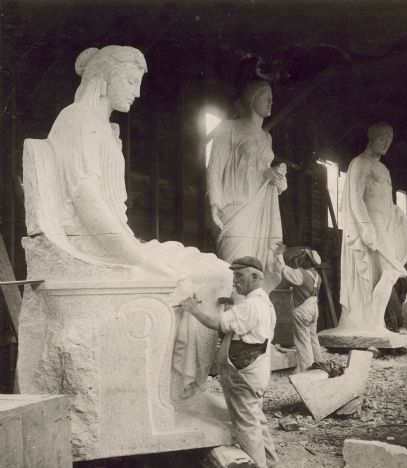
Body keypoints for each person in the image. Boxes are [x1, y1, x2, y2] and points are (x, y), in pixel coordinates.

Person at [47, 45, 231, 400]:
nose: (138, 90)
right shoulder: (76, 120)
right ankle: (178, 391)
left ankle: (183, 387)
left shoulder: (101, 127)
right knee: (204, 274)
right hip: (95, 249)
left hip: (115, 243)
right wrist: (140, 257)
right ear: (104, 78)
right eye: (131, 80)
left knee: (217, 270)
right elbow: (88, 205)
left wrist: (138, 251)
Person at [181, 256, 277, 468]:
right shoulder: (264, 302)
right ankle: (271, 462)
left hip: (245, 374)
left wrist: (193, 309)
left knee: (246, 425)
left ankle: (260, 465)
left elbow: (218, 323)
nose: (235, 281)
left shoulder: (251, 305)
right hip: (256, 370)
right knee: (256, 420)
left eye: (240, 275)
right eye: (234, 276)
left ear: (255, 276)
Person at [207, 80, 286, 293]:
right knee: (234, 267)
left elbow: (263, 173)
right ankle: (230, 318)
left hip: (261, 211)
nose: (271, 101)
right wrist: (214, 203)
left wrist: (278, 182)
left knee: (256, 269)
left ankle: (250, 317)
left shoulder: (266, 137)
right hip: (235, 207)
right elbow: (214, 168)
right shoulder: (229, 128)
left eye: (272, 96)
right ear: (252, 99)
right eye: (265, 95)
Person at [336, 122, 407, 332]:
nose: (387, 142)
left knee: (387, 273)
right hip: (372, 223)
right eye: (383, 138)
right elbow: (355, 197)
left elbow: (384, 199)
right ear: (372, 138)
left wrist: (396, 211)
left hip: (385, 225)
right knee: (390, 271)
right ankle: (374, 323)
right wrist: (365, 226)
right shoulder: (361, 163)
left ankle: (375, 322)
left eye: (390, 138)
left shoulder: (383, 168)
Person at [275, 245, 323, 372]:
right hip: (314, 308)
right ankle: (319, 366)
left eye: (302, 258)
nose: (299, 260)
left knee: (303, 341)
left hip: (303, 309)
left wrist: (280, 255)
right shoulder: (317, 276)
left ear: (307, 261)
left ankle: (308, 370)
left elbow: (284, 270)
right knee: (313, 338)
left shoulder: (300, 274)